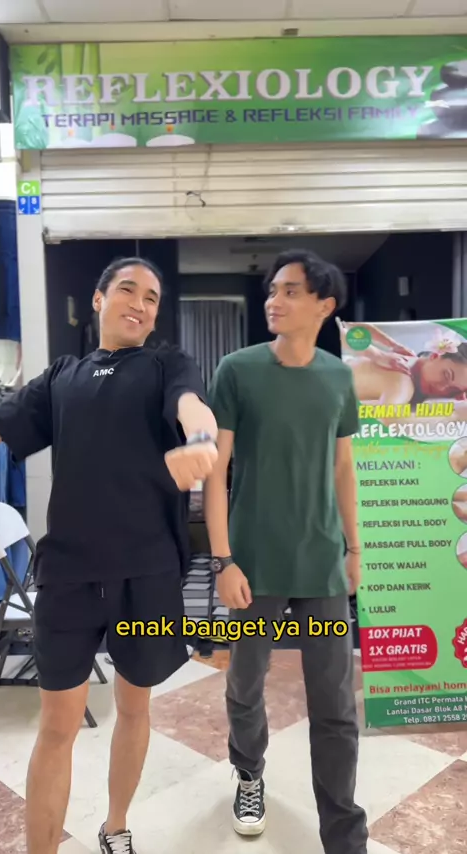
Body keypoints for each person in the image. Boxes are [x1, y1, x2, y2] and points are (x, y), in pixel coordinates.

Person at [0, 257, 218, 854]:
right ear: (98, 299)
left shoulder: (166, 364)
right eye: (127, 290)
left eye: (151, 297)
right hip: (67, 573)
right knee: (56, 726)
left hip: (147, 573)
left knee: (134, 707)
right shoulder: (61, 376)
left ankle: (116, 826)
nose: (139, 304)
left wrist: (200, 438)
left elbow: (192, 405)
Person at [203, 249, 368, 854]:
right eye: (273, 290)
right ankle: (249, 775)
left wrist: (354, 546)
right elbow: (216, 468)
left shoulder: (339, 377)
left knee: (336, 705)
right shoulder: (238, 370)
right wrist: (223, 559)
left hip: (322, 563)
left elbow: (343, 465)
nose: (275, 300)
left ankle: (344, 832)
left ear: (324, 306)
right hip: (254, 563)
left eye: (291, 291)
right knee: (245, 684)